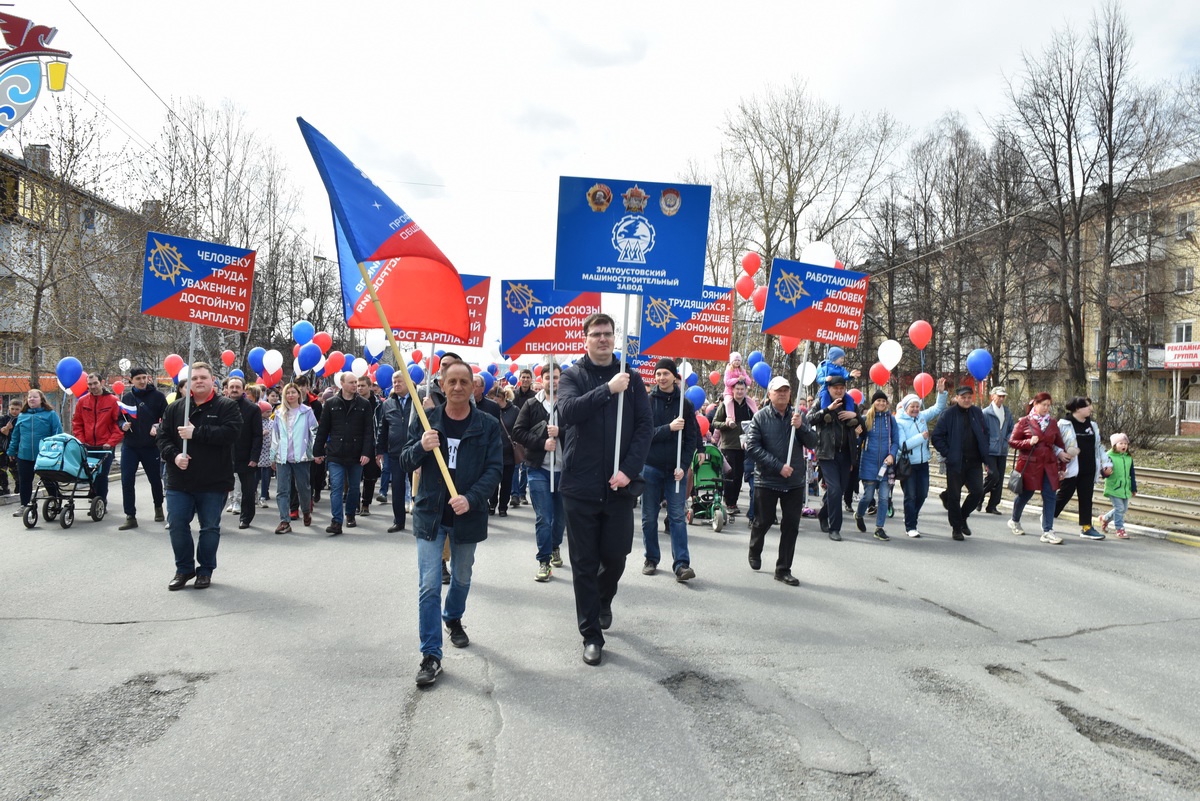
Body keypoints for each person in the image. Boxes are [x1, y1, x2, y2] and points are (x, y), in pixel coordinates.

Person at [556, 313, 652, 666]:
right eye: (596, 334)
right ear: (585, 339)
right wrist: (607, 390)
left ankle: (603, 598)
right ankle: (591, 635)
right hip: (579, 487)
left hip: (618, 488)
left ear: (615, 338)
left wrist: (628, 470)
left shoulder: (633, 379)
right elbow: (567, 412)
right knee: (583, 563)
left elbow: (644, 427)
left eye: (608, 334)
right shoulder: (572, 376)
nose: (602, 339)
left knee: (615, 555)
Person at [399, 360, 502, 688]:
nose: (457, 387)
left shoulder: (486, 424)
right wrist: (421, 447)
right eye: (451, 381)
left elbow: (495, 469)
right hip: (430, 514)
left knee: (461, 577)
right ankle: (431, 655)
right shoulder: (428, 420)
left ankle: (453, 617)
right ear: (442, 387)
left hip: (466, 517)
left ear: (473, 387)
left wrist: (471, 498)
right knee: (429, 585)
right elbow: (403, 459)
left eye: (463, 382)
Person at [157, 362, 242, 590]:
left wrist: (198, 433)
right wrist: (174, 456)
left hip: (213, 480)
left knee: (209, 527)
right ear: (188, 382)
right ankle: (184, 569)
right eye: (194, 378)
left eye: (203, 377)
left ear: (212, 379)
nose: (199, 381)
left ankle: (205, 570)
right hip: (179, 479)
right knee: (176, 524)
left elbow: (231, 433)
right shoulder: (176, 408)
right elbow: (162, 438)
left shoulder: (226, 406)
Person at [746, 376, 819, 585]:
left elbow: (813, 442)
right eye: (778, 391)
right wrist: (778, 466)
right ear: (770, 394)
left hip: (794, 482)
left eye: (786, 391)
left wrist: (802, 427)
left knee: (791, 526)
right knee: (763, 521)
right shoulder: (760, 417)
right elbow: (752, 448)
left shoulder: (798, 417)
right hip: (767, 480)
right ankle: (755, 548)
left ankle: (783, 569)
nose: (783, 394)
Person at [640, 358, 702, 582]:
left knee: (677, 516)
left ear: (675, 377)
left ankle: (682, 564)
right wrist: (669, 428)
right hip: (651, 467)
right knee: (649, 517)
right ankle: (651, 558)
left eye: (665, 374)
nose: (661, 378)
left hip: (675, 471)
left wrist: (684, 467)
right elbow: (645, 434)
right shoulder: (647, 401)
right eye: (658, 374)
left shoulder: (684, 404)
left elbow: (691, 437)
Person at [513, 361, 566, 582]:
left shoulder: (567, 403)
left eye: (555, 377)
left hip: (565, 471)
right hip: (538, 469)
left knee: (561, 518)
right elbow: (518, 432)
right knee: (544, 517)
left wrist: (560, 431)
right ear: (541, 380)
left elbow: (580, 431)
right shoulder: (532, 405)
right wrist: (542, 442)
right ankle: (544, 561)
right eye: (548, 377)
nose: (552, 381)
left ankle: (555, 546)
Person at [313, 372, 375, 536]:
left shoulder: (364, 404)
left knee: (354, 488)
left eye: (356, 382)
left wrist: (366, 452)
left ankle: (350, 515)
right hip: (336, 453)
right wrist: (318, 451)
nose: (355, 385)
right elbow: (323, 429)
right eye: (351, 382)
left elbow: (369, 431)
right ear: (341, 383)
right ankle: (336, 521)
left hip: (356, 454)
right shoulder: (331, 403)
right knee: (336, 488)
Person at [1007, 392, 1072, 544]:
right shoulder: (1024, 422)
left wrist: (1062, 467)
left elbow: (1060, 445)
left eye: (1049, 405)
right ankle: (1014, 520)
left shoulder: (1052, 423)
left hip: (1049, 465)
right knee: (1025, 494)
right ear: (1035, 404)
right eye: (1044, 405)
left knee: (1050, 496)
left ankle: (1048, 531)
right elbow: (1012, 441)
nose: (1046, 408)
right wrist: (1028, 442)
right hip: (1030, 465)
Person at [930, 386, 990, 541]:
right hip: (956, 462)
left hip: (975, 462)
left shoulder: (977, 413)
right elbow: (936, 437)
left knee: (978, 491)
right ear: (957, 398)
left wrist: (985, 450)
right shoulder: (948, 414)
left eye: (969, 397)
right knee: (954, 497)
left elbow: (985, 433)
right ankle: (956, 528)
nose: (967, 400)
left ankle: (962, 518)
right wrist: (949, 453)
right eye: (963, 397)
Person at [809, 376, 863, 542]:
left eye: (842, 388)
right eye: (835, 388)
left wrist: (856, 416)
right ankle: (835, 528)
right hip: (827, 453)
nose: (839, 391)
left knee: (839, 490)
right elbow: (808, 419)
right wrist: (827, 410)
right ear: (829, 389)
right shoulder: (821, 402)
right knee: (835, 489)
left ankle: (823, 514)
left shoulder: (851, 404)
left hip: (846, 454)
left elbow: (862, 427)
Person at [892, 379, 948, 538]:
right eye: (912, 407)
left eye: (917, 406)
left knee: (922, 494)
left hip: (923, 464)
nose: (916, 409)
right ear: (905, 407)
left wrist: (941, 393)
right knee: (910, 496)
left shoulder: (922, 417)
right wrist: (921, 437)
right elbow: (903, 445)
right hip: (909, 465)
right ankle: (910, 526)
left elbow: (938, 408)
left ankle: (911, 515)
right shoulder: (899, 422)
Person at [1054, 397, 1112, 540]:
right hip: (1071, 469)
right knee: (1064, 495)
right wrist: (1060, 453)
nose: (1091, 409)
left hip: (1089, 468)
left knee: (1086, 498)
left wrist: (1106, 463)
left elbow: (1098, 447)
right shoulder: (1064, 424)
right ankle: (1048, 517)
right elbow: (1053, 443)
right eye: (1087, 406)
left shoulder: (1092, 425)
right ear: (1077, 409)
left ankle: (1086, 527)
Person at [117, 368, 168, 530]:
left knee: (155, 479)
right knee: (126, 481)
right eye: (138, 378)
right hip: (130, 446)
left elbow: (166, 418)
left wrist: (157, 426)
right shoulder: (127, 397)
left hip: (150, 446)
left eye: (144, 378)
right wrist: (122, 425)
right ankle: (130, 516)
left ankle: (158, 508)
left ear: (148, 378)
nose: (142, 381)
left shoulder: (158, 397)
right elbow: (119, 418)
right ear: (131, 380)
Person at [270, 383, 318, 534]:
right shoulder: (279, 413)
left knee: (303, 488)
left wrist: (315, 451)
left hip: (301, 457)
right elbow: (275, 435)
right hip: (282, 457)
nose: (290, 395)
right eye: (287, 393)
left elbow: (315, 432)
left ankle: (306, 511)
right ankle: (285, 521)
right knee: (282, 490)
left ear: (299, 394)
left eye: (293, 392)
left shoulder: (307, 412)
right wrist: (273, 456)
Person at [6, 389, 62, 513]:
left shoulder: (50, 414)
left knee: (48, 480)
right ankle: (25, 506)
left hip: (44, 456)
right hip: (24, 455)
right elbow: (16, 435)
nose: (31, 399)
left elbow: (57, 434)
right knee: (24, 481)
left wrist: (55, 451)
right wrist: (11, 451)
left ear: (41, 399)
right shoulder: (22, 415)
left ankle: (56, 502)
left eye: (34, 397)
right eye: (29, 397)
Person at [72, 372, 122, 509]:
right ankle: (94, 495)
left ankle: (100, 501)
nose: (93, 386)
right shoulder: (82, 401)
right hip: (87, 445)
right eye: (90, 384)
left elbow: (119, 425)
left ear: (102, 382)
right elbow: (77, 423)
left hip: (105, 446)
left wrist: (110, 442)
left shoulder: (113, 401)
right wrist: (80, 441)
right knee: (89, 474)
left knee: (102, 475)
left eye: (95, 383)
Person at [855, 390, 899, 541]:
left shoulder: (891, 420)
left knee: (884, 498)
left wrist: (892, 455)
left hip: (886, 466)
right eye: (878, 401)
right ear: (873, 403)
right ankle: (859, 514)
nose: (881, 403)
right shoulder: (865, 418)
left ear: (887, 403)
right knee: (867, 496)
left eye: (883, 401)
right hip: (869, 463)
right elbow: (858, 442)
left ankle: (879, 528)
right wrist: (856, 435)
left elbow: (895, 441)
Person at [224, 377, 263, 530]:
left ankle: (245, 518)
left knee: (248, 490)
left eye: (237, 387)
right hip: (224, 455)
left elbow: (257, 435)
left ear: (243, 389)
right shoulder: (220, 406)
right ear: (227, 389)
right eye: (231, 387)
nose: (234, 389)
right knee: (219, 488)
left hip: (246, 456)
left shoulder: (252, 409)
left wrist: (254, 457)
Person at [377, 371, 414, 533]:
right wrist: (379, 450)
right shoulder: (388, 404)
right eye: (394, 382)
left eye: (400, 381)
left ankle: (420, 521)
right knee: (397, 488)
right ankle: (399, 521)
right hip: (395, 453)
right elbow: (382, 430)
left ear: (408, 383)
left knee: (418, 489)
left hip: (416, 452)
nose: (396, 384)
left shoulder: (418, 402)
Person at [712, 378, 755, 515]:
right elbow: (715, 423)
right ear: (733, 390)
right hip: (729, 445)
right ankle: (729, 502)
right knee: (730, 474)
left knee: (739, 476)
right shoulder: (726, 404)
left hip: (745, 446)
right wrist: (726, 424)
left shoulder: (749, 405)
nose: (740, 392)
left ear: (745, 390)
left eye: (742, 389)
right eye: (737, 389)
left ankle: (733, 502)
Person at [290, 374, 324, 514]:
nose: (301, 389)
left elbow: (319, 426)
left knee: (308, 477)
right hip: (292, 445)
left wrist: (319, 445)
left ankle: (307, 500)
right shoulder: (289, 402)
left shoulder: (315, 404)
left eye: (303, 386)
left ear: (308, 387)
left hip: (309, 445)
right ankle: (293, 507)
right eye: (298, 386)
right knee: (292, 478)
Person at [981, 387, 1015, 515]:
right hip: (990, 450)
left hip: (1002, 449)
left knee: (999, 478)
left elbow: (1012, 428)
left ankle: (992, 505)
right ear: (992, 396)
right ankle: (980, 495)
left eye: (1003, 396)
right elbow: (982, 431)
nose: (1001, 399)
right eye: (999, 396)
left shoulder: (1007, 412)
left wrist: (1007, 439)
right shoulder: (985, 413)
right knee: (993, 475)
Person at [487, 383, 519, 517]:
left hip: (508, 452)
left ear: (503, 397)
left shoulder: (515, 410)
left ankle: (503, 507)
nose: (494, 400)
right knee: (493, 481)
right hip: (493, 452)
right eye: (492, 398)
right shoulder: (490, 410)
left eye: (497, 397)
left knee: (506, 482)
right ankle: (492, 503)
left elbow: (518, 428)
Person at [1099, 432, 1136, 539]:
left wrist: (1133, 488)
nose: (1124, 445)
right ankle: (1120, 529)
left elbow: (1131, 473)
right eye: (1121, 443)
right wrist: (1105, 473)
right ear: (1114, 445)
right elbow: (1103, 472)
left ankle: (1105, 518)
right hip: (1113, 487)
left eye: (1125, 443)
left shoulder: (1128, 457)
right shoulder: (1109, 456)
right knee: (1119, 508)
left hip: (1125, 488)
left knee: (1123, 509)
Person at [355, 374, 382, 517]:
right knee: (353, 476)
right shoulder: (353, 401)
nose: (359, 388)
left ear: (370, 387)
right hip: (355, 443)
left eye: (362, 386)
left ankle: (365, 504)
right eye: (358, 386)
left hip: (372, 443)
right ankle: (354, 502)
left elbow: (382, 423)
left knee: (370, 476)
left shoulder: (378, 403)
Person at [510, 368, 537, 507]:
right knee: (515, 466)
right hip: (514, 434)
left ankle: (521, 493)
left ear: (531, 379)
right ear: (519, 378)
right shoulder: (513, 395)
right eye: (523, 377)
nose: (525, 379)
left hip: (529, 434)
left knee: (526, 466)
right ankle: (514, 495)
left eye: (528, 377)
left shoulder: (535, 396)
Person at [722, 352, 758, 422]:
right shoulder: (728, 370)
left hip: (741, 393)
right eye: (735, 360)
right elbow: (726, 382)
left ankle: (757, 415)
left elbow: (749, 382)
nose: (737, 362)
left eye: (739, 360)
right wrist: (737, 379)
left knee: (751, 401)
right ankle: (730, 419)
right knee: (729, 402)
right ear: (732, 361)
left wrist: (744, 378)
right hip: (729, 392)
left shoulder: (742, 370)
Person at [0, 397, 21, 495]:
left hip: (15, 449)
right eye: (12, 409)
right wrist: (6, 429)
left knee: (15, 469)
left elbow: (19, 436)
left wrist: (8, 432)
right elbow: (2, 431)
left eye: (17, 409)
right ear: (9, 408)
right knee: (1, 470)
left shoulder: (21, 420)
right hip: (2, 448)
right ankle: (4, 488)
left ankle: (19, 485)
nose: (14, 411)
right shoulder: (3, 418)